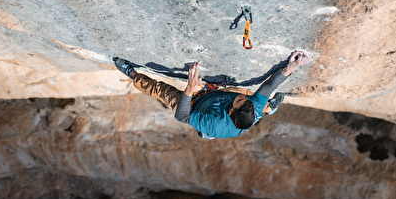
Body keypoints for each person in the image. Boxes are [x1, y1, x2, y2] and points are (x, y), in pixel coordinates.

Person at [113, 50, 308, 139]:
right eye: (246, 101)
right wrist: (292, 66)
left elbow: (182, 116)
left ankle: (130, 72)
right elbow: (267, 86)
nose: (244, 99)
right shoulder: (250, 107)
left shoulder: (213, 124)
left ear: (231, 110)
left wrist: (190, 89)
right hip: (232, 104)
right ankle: (269, 107)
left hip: (196, 106)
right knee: (251, 96)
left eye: (240, 101)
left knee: (161, 91)